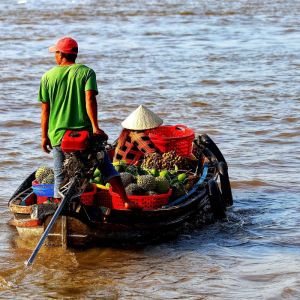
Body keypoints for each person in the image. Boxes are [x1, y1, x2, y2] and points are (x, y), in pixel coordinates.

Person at [38, 36, 135, 209]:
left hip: (59, 136)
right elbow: (90, 100)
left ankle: (62, 210)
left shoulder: (47, 77)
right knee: (106, 167)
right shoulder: (86, 72)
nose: (55, 56)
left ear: (61, 55)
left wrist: (44, 137)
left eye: (56, 53)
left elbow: (45, 110)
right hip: (85, 136)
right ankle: (126, 201)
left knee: (60, 175)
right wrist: (96, 128)